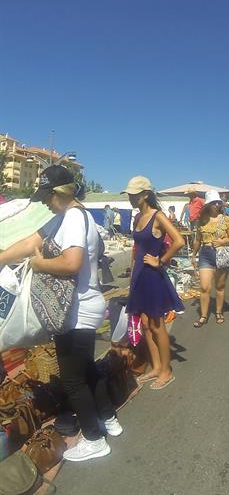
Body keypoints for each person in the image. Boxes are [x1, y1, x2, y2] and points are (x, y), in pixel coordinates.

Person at [0, 165, 122, 461]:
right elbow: (32, 242)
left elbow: (71, 263)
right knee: (89, 370)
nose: (45, 202)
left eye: (48, 196)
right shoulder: (77, 218)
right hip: (86, 305)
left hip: (76, 310)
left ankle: (94, 439)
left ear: (62, 193)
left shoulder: (73, 217)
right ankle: (109, 419)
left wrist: (38, 265)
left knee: (72, 381)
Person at [123, 176, 185, 391]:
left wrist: (161, 260)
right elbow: (136, 248)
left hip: (153, 276)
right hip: (140, 275)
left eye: (134, 194)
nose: (131, 198)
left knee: (158, 326)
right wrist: (132, 274)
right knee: (146, 325)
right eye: (129, 194)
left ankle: (167, 371)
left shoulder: (157, 217)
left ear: (145, 194)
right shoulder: (138, 217)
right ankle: (157, 366)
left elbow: (179, 241)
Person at [191, 190, 229, 327]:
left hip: (222, 253)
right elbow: (197, 240)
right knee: (204, 287)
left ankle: (218, 312)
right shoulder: (202, 221)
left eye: (218, 202)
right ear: (208, 205)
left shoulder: (226, 219)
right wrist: (193, 255)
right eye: (213, 203)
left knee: (220, 286)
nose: (216, 205)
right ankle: (203, 316)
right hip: (205, 254)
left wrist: (222, 242)